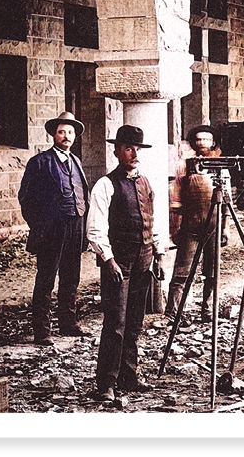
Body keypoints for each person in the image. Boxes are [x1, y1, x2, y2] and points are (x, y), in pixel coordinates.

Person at [86, 125, 166, 402]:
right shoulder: (106, 185)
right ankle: (106, 382)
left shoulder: (145, 183)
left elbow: (152, 221)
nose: (134, 153)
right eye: (128, 148)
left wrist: (158, 253)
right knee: (116, 323)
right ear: (117, 150)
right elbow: (95, 228)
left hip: (143, 259)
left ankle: (128, 376)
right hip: (118, 262)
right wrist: (108, 260)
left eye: (137, 149)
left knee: (134, 322)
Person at [18, 111, 90, 346]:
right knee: (46, 279)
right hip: (51, 230)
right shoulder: (40, 162)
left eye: (70, 132)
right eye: (61, 132)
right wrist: (40, 225)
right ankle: (42, 331)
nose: (66, 136)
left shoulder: (76, 162)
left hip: (75, 227)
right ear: (53, 135)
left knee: (71, 278)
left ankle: (68, 323)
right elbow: (26, 198)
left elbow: (83, 195)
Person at [165, 125, 231, 323]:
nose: (202, 143)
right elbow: (175, 199)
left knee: (213, 271)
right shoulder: (183, 166)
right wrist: (174, 227)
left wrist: (226, 226)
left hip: (214, 224)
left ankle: (209, 310)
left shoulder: (221, 165)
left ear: (213, 142)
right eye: (198, 139)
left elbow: (227, 199)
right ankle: (174, 312)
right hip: (190, 224)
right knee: (182, 271)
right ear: (193, 143)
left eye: (206, 139)